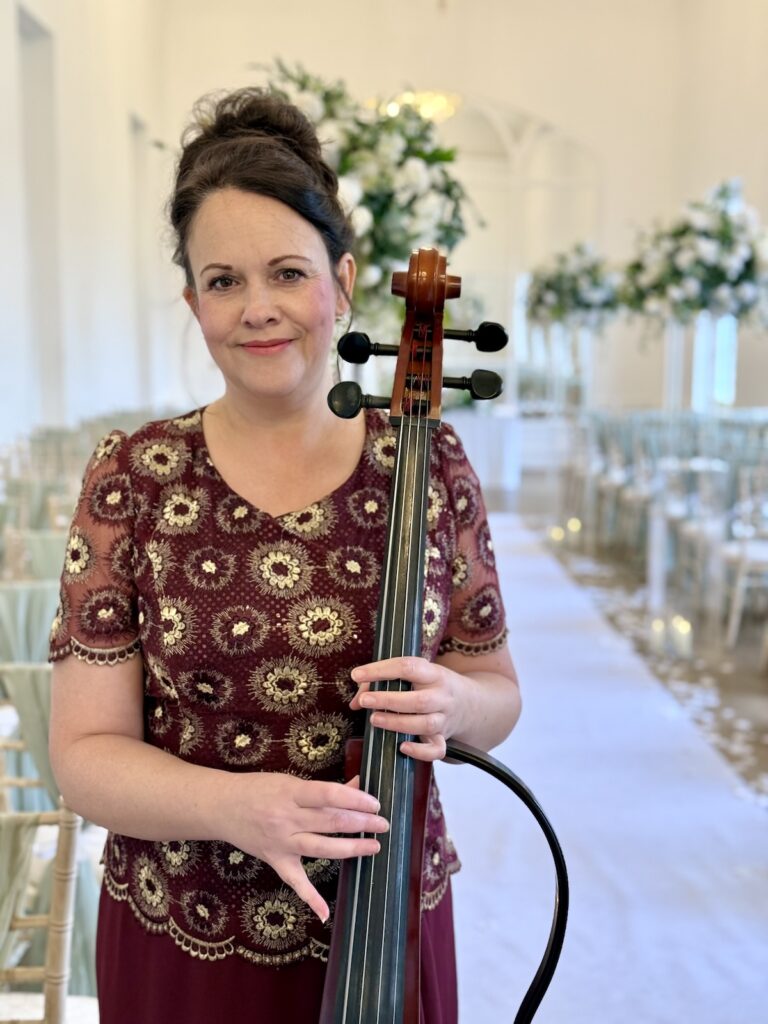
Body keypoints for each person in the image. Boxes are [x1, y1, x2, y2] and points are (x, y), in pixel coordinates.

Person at [48, 87, 521, 1023]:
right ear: (193, 301)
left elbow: (495, 686)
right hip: (185, 930)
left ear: (343, 282)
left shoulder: (428, 464)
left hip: (386, 921)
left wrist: (458, 703)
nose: (257, 309)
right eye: (223, 281)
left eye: (287, 273)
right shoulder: (134, 474)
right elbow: (84, 754)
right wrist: (238, 809)